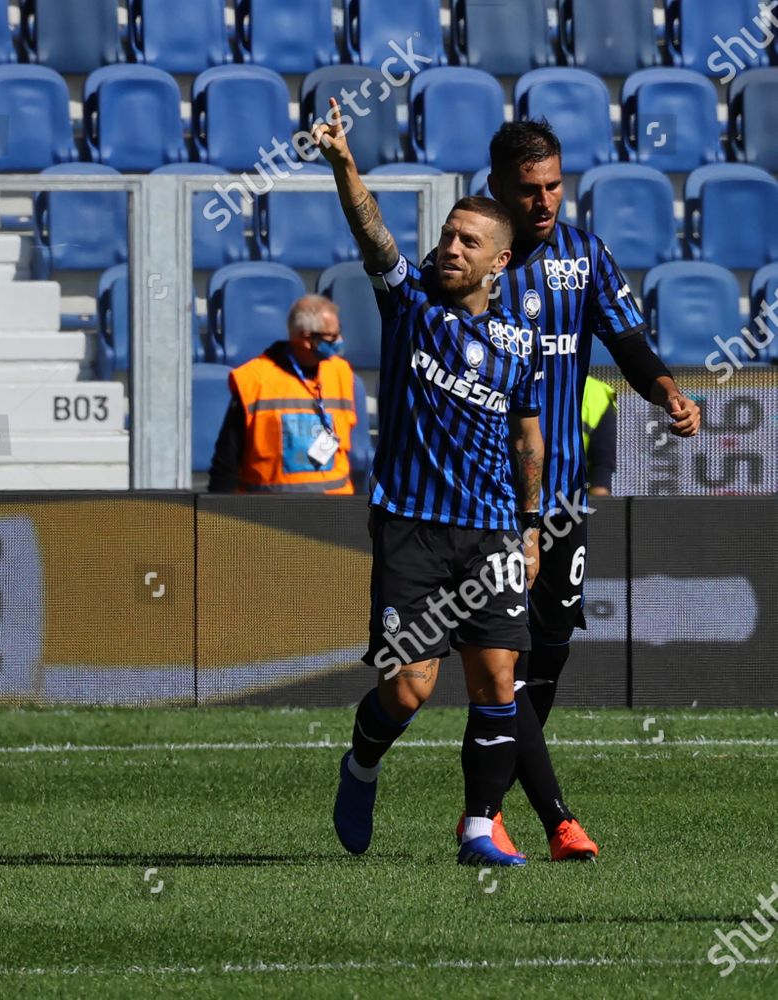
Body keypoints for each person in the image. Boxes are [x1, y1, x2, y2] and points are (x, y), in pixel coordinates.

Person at [439, 120, 701, 861]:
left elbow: (626, 342)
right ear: (499, 189)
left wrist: (667, 393)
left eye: (555, 184)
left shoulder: (585, 257)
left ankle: (481, 817)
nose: (547, 199)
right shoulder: (469, 266)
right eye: (530, 189)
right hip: (490, 502)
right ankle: (553, 819)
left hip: (564, 500)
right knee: (502, 662)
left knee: (544, 659)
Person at [310, 99, 547, 867]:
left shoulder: (520, 342)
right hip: (411, 525)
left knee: (497, 678)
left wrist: (533, 523)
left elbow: (527, 435)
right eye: (447, 235)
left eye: (467, 241)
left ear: (498, 262)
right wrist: (346, 163)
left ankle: (479, 825)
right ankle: (362, 763)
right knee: (409, 688)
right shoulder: (408, 302)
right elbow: (372, 233)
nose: (450, 248)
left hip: (492, 533)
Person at [208, 295, 369, 494]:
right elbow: (226, 462)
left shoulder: (341, 373)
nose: (340, 342)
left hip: (334, 513)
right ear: (307, 338)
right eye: (332, 337)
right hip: (269, 514)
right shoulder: (253, 380)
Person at [583, 374, 617, 497]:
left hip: (571, 499)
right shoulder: (524, 380)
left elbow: (602, 464)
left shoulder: (594, 392)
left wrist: (599, 512)